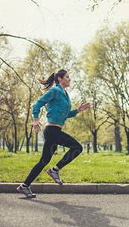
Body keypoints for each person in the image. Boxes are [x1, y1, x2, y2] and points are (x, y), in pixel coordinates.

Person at [17, 69, 91, 198]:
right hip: (52, 131)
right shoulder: (55, 91)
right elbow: (37, 104)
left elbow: (65, 114)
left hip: (56, 131)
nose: (70, 79)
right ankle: (54, 170)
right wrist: (35, 119)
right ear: (60, 79)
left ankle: (24, 186)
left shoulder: (65, 94)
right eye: (67, 77)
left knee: (43, 161)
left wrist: (77, 110)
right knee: (77, 147)